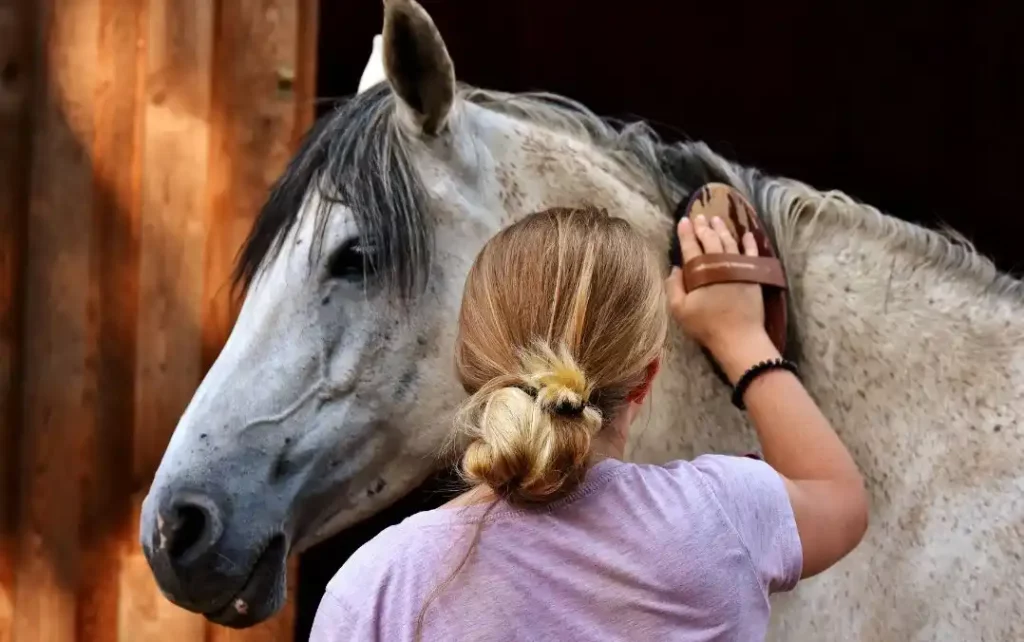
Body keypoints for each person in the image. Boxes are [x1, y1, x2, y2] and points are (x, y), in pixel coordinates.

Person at [309, 204, 869, 641]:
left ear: (470, 371)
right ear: (647, 378)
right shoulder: (721, 517)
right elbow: (839, 498)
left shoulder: (377, 589)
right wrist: (741, 337)